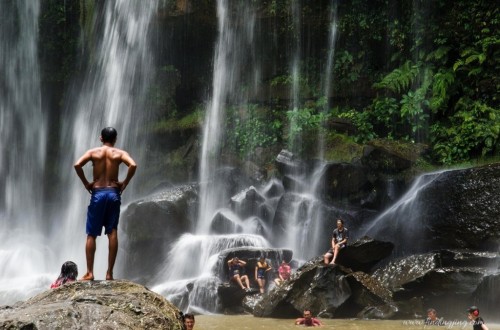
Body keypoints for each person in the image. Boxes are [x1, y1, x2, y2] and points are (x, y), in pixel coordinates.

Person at [74, 127, 137, 281]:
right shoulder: (120, 153)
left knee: (91, 234)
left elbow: (77, 165)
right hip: (114, 193)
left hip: (98, 193)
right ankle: (109, 273)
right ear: (115, 139)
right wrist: (124, 183)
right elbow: (133, 165)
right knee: (112, 232)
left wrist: (86, 183)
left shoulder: (93, 152)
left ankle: (89, 272)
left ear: (101, 138)